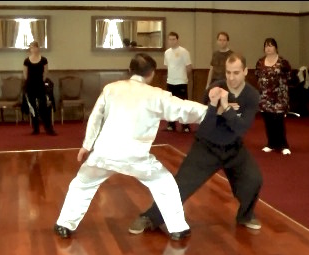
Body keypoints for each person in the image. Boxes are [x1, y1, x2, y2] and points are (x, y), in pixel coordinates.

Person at [53, 53, 208, 241]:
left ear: (129, 70)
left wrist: (86, 145)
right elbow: (184, 109)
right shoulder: (156, 95)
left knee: (82, 184)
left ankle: (64, 225)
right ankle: (178, 228)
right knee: (165, 183)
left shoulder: (111, 89)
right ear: (151, 74)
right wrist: (213, 112)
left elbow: (95, 117)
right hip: (136, 157)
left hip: (104, 153)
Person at [128, 52, 264, 236]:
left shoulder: (251, 95)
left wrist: (224, 108)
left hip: (234, 147)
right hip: (207, 146)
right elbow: (206, 125)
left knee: (253, 179)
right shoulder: (215, 89)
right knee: (181, 184)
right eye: (228, 72)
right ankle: (150, 217)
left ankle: (245, 216)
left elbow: (241, 128)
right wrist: (216, 104)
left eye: (236, 73)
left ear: (246, 72)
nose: (231, 78)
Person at [254, 37, 292, 155]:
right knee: (268, 120)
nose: (268, 48)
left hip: (279, 97)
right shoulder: (260, 62)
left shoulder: (283, 62)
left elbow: (288, 77)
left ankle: (283, 145)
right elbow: (257, 76)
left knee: (278, 120)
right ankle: (271, 143)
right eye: (266, 46)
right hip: (265, 97)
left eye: (270, 45)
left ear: (276, 47)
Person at [23, 41, 57, 136]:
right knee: (33, 108)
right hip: (30, 86)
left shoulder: (43, 60)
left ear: (38, 48)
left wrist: (42, 80)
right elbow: (25, 74)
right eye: (31, 47)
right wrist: (29, 82)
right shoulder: (26, 61)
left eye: (35, 47)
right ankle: (36, 128)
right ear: (30, 49)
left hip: (40, 85)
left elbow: (46, 72)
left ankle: (48, 128)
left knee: (44, 107)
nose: (33, 49)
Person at [164, 31, 193, 133]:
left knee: (183, 104)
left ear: (177, 40)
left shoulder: (184, 52)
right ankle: (171, 125)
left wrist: (184, 77)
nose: (171, 41)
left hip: (181, 82)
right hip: (170, 82)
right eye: (170, 39)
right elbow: (168, 66)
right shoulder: (167, 53)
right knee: (171, 104)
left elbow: (189, 67)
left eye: (173, 39)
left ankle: (185, 126)